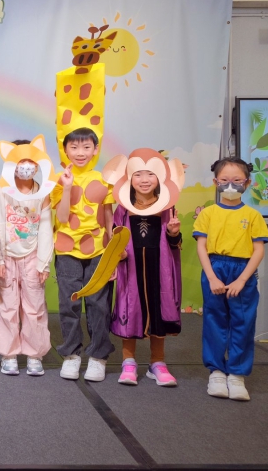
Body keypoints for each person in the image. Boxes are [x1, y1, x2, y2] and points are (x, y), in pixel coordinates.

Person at [194, 157, 268, 401]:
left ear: (247, 183)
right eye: (224, 180)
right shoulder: (208, 214)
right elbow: (201, 247)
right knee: (214, 320)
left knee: (243, 322)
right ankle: (216, 372)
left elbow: (258, 250)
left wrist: (242, 280)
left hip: (242, 271)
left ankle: (237, 375)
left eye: (237, 180)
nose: (230, 185)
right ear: (215, 182)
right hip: (215, 268)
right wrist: (212, 278)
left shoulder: (253, 215)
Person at [51, 127, 115, 382]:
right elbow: (62, 217)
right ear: (65, 150)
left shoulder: (103, 179)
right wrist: (67, 187)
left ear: (95, 149)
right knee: (69, 304)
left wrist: (113, 253)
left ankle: (98, 357)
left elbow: (109, 217)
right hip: (67, 249)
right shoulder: (59, 179)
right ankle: (71, 355)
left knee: (99, 304)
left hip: (99, 250)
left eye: (86, 147)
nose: (80, 152)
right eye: (74, 147)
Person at [111, 164, 183, 387]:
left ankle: (157, 363)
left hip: (159, 269)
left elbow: (175, 244)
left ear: (159, 178)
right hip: (131, 269)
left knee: (159, 311)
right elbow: (115, 239)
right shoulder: (123, 209)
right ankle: (128, 362)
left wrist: (173, 233)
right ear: (129, 179)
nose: (144, 179)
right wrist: (120, 253)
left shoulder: (167, 207)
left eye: (151, 174)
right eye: (138, 174)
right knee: (130, 309)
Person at [0, 138, 55, 376]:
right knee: (7, 306)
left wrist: (43, 262)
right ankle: (8, 353)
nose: (25, 166)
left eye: (30, 161)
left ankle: (34, 354)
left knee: (34, 306)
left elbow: (46, 227)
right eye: (20, 160)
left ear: (38, 164)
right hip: (7, 257)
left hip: (33, 255)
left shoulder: (43, 193)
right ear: (10, 163)